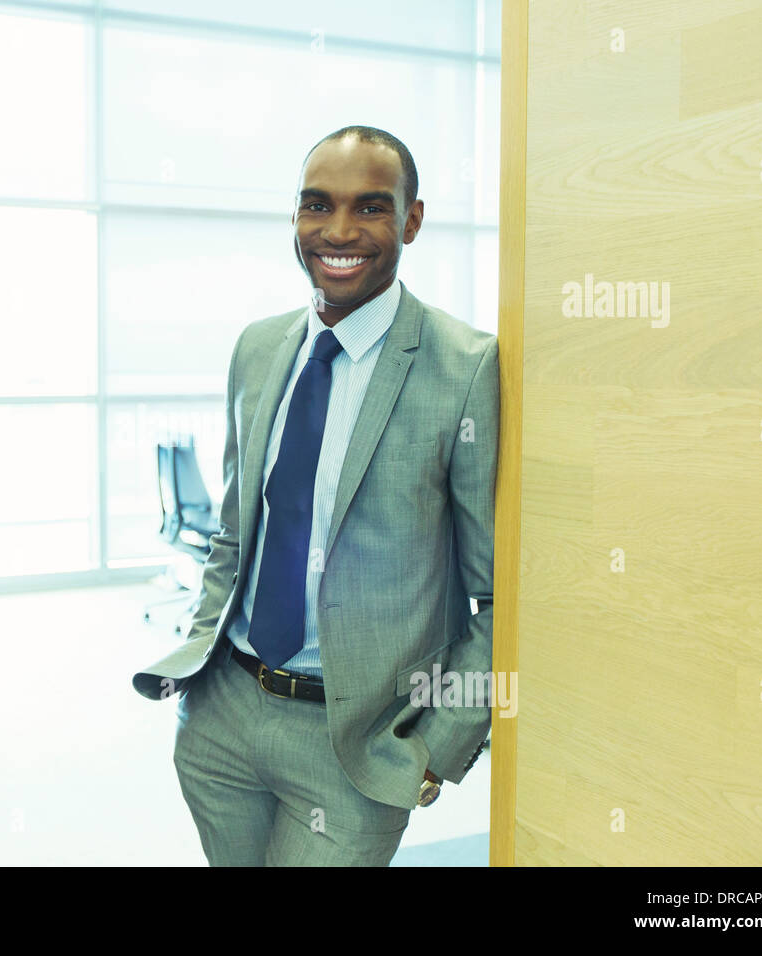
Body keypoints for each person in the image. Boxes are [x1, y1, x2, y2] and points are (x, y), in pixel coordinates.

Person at [132, 126, 499, 866]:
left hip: (358, 746)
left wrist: (434, 751)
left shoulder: (466, 367)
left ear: (412, 221)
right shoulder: (258, 348)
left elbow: (499, 598)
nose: (339, 231)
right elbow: (236, 535)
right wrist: (203, 672)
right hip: (225, 717)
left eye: (370, 207)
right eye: (317, 205)